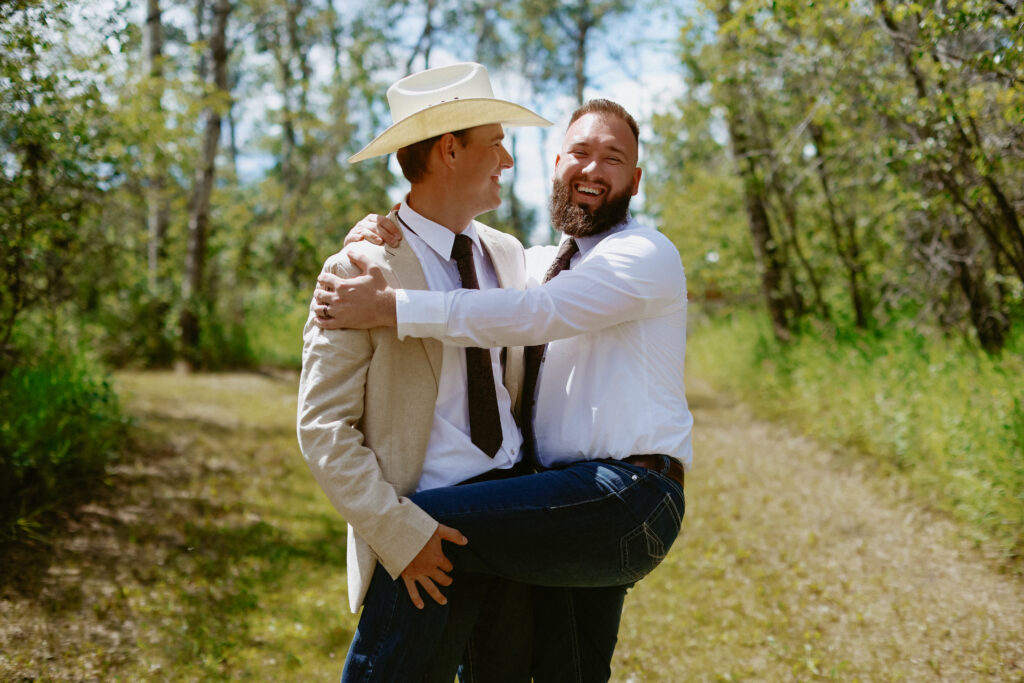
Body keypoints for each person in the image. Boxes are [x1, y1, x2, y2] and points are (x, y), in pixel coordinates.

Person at [314, 98, 693, 682]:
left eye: (613, 158)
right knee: (567, 673)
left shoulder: (643, 254)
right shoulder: (521, 260)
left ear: (636, 180)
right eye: (580, 152)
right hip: (541, 498)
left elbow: (533, 314)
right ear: (559, 164)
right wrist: (375, 232)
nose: (592, 169)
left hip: (624, 493)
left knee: (422, 526)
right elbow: (324, 424)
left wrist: (394, 308)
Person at [296, 61, 551, 682]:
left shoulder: (508, 255)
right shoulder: (360, 266)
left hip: (510, 510)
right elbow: (322, 427)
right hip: (424, 530)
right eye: (496, 143)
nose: (507, 160)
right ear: (449, 150)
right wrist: (398, 534)